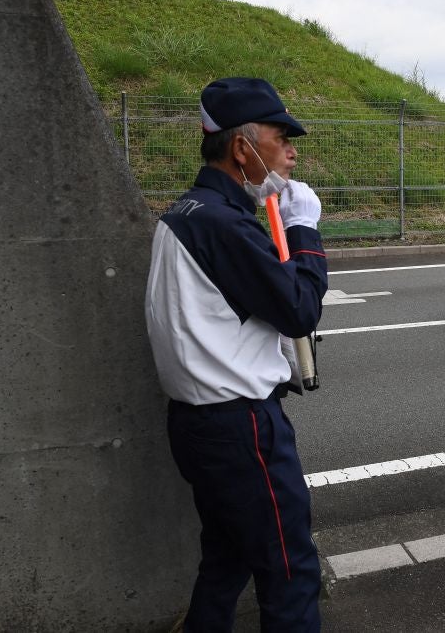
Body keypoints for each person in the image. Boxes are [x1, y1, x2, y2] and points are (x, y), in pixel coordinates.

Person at [145, 77, 328, 632]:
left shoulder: (186, 211)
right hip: (242, 429)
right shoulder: (224, 225)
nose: (293, 150)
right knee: (290, 575)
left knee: (225, 560)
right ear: (242, 146)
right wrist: (303, 230)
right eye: (282, 136)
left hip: (201, 425)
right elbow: (298, 309)